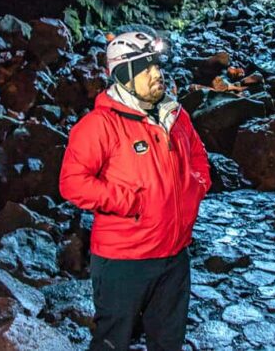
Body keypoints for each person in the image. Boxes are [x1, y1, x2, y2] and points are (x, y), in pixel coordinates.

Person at [59, 30, 211, 350]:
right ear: (124, 76)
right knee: (113, 341)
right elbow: (72, 183)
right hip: (124, 259)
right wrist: (132, 203)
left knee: (168, 341)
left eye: (157, 66)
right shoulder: (99, 125)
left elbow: (198, 157)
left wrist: (194, 189)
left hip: (174, 256)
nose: (158, 74)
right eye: (146, 68)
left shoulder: (176, 115)